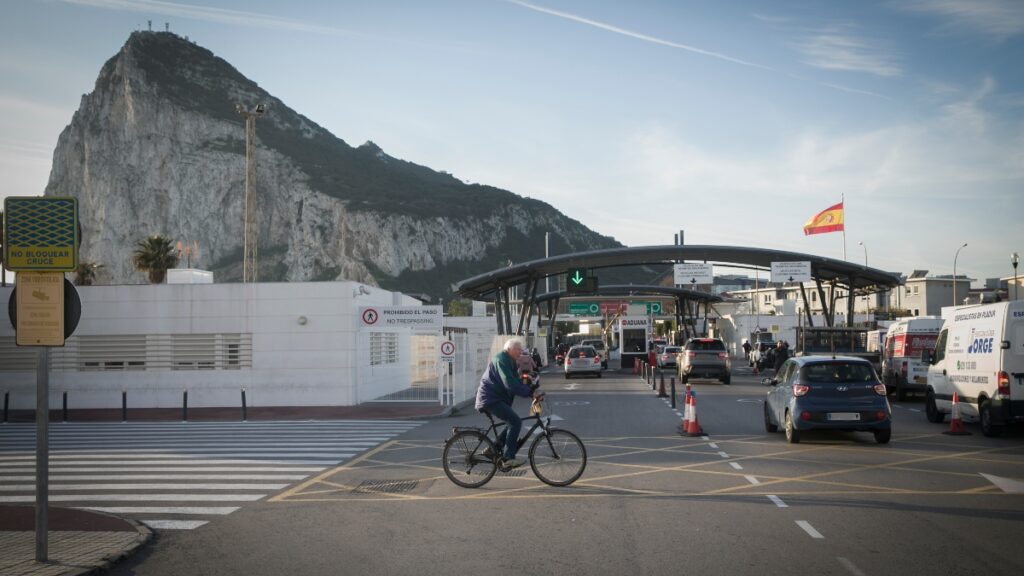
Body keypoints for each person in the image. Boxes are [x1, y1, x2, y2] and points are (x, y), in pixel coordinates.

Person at [475, 338, 542, 469]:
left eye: (521, 349)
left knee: (511, 423)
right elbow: (509, 384)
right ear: (509, 349)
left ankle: (492, 449)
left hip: (496, 398)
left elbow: (516, 381)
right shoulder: (501, 360)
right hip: (490, 399)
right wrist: (529, 393)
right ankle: (508, 458)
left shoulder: (510, 361)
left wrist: (530, 387)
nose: (521, 352)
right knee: (515, 422)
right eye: (518, 349)